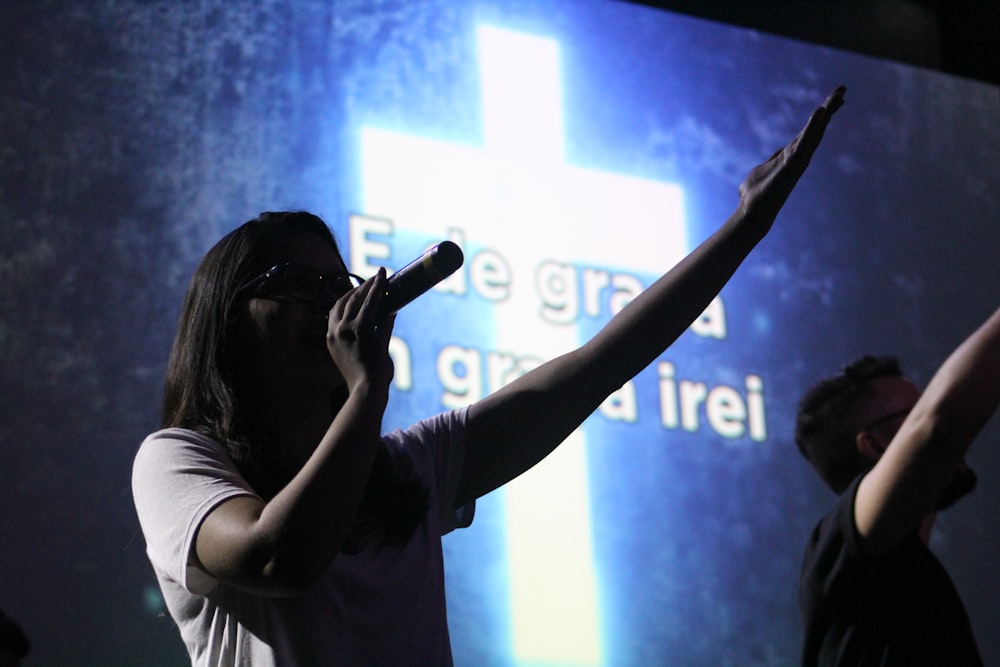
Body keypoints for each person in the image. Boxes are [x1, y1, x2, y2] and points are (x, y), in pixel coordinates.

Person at [132, 86, 845, 666]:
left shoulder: (410, 468)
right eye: (294, 280)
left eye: (335, 280)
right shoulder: (178, 461)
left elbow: (596, 366)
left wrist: (745, 226)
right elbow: (275, 556)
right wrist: (368, 389)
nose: (327, 298)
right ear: (225, 319)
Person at [795, 304, 1000, 666]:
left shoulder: (919, 580)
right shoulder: (843, 548)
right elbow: (938, 424)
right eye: (914, 411)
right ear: (874, 446)